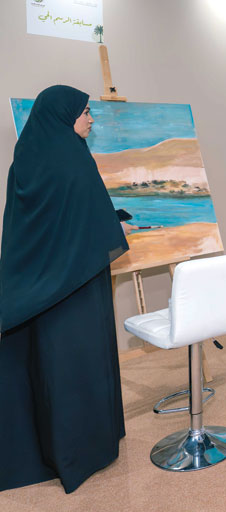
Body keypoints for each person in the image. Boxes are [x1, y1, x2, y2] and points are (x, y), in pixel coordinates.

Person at [0, 85, 129, 493]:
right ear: (63, 114)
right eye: (85, 111)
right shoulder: (75, 159)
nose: (90, 118)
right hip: (79, 288)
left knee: (50, 371)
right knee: (80, 367)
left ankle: (54, 450)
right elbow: (90, 220)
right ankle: (85, 451)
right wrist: (117, 228)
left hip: (39, 292)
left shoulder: (24, 160)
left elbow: (30, 229)